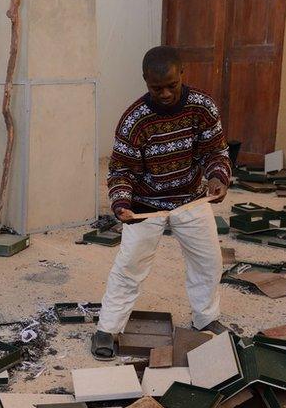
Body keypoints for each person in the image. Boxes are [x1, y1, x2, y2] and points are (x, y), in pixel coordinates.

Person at [91, 46, 231, 360]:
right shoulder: (134, 120)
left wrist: (217, 177)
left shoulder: (203, 107)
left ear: (182, 74)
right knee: (130, 267)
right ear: (145, 81)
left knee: (208, 261)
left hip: (191, 198)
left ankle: (206, 318)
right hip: (145, 204)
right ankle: (107, 329)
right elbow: (120, 170)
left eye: (172, 85)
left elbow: (215, 151)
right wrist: (121, 204)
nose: (165, 94)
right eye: (157, 88)